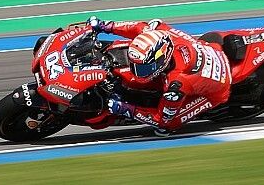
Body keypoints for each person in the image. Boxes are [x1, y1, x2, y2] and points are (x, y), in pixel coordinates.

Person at [88, 16, 232, 136]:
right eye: (136, 66)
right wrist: (105, 26)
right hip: (210, 48)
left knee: (163, 129)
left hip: (218, 89)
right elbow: (137, 27)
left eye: (144, 68)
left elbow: (161, 120)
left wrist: (124, 108)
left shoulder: (176, 85)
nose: (137, 72)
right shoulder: (159, 33)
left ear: (162, 60)